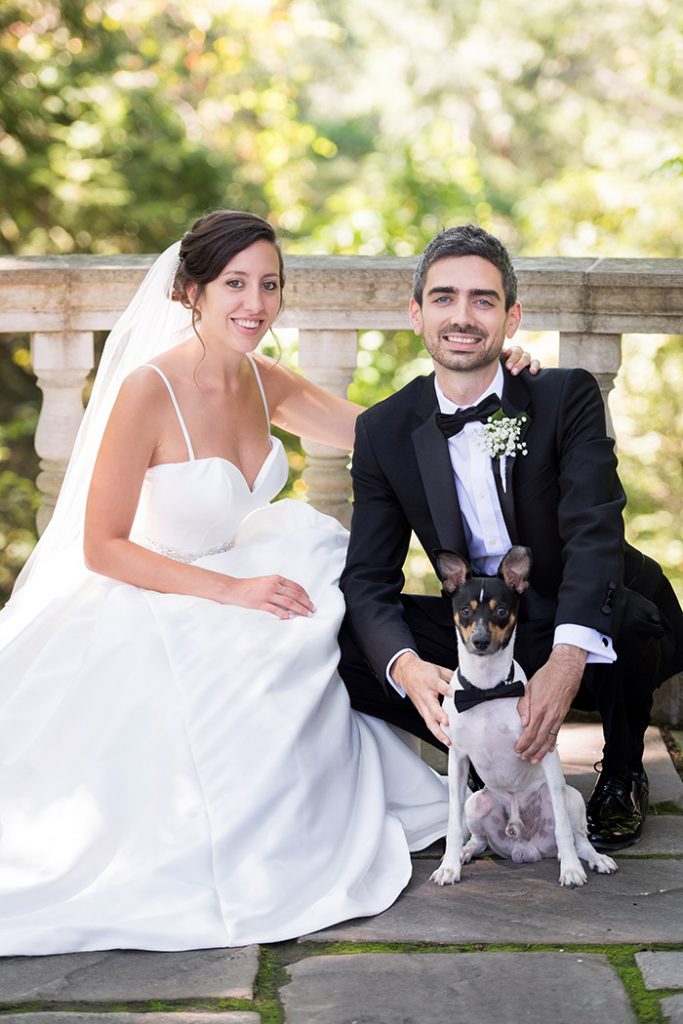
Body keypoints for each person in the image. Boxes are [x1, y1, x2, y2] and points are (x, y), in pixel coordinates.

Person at [0, 210, 536, 955]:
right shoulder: (145, 391)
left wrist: (499, 385)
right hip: (157, 590)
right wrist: (228, 593)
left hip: (245, 570)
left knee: (319, 610)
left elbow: (387, 430)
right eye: (234, 285)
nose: (254, 303)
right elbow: (102, 547)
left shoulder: (262, 378)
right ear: (190, 290)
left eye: (269, 285)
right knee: (272, 648)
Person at [339, 223, 683, 852]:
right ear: (416, 315)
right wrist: (409, 667)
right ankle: (468, 762)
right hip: (480, 614)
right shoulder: (384, 429)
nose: (462, 316)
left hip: (568, 600)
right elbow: (367, 578)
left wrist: (569, 656)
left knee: (626, 621)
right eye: (443, 298)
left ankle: (625, 771)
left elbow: (595, 530)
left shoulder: (562, 395)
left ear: (511, 316)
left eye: (483, 299)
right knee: (343, 641)